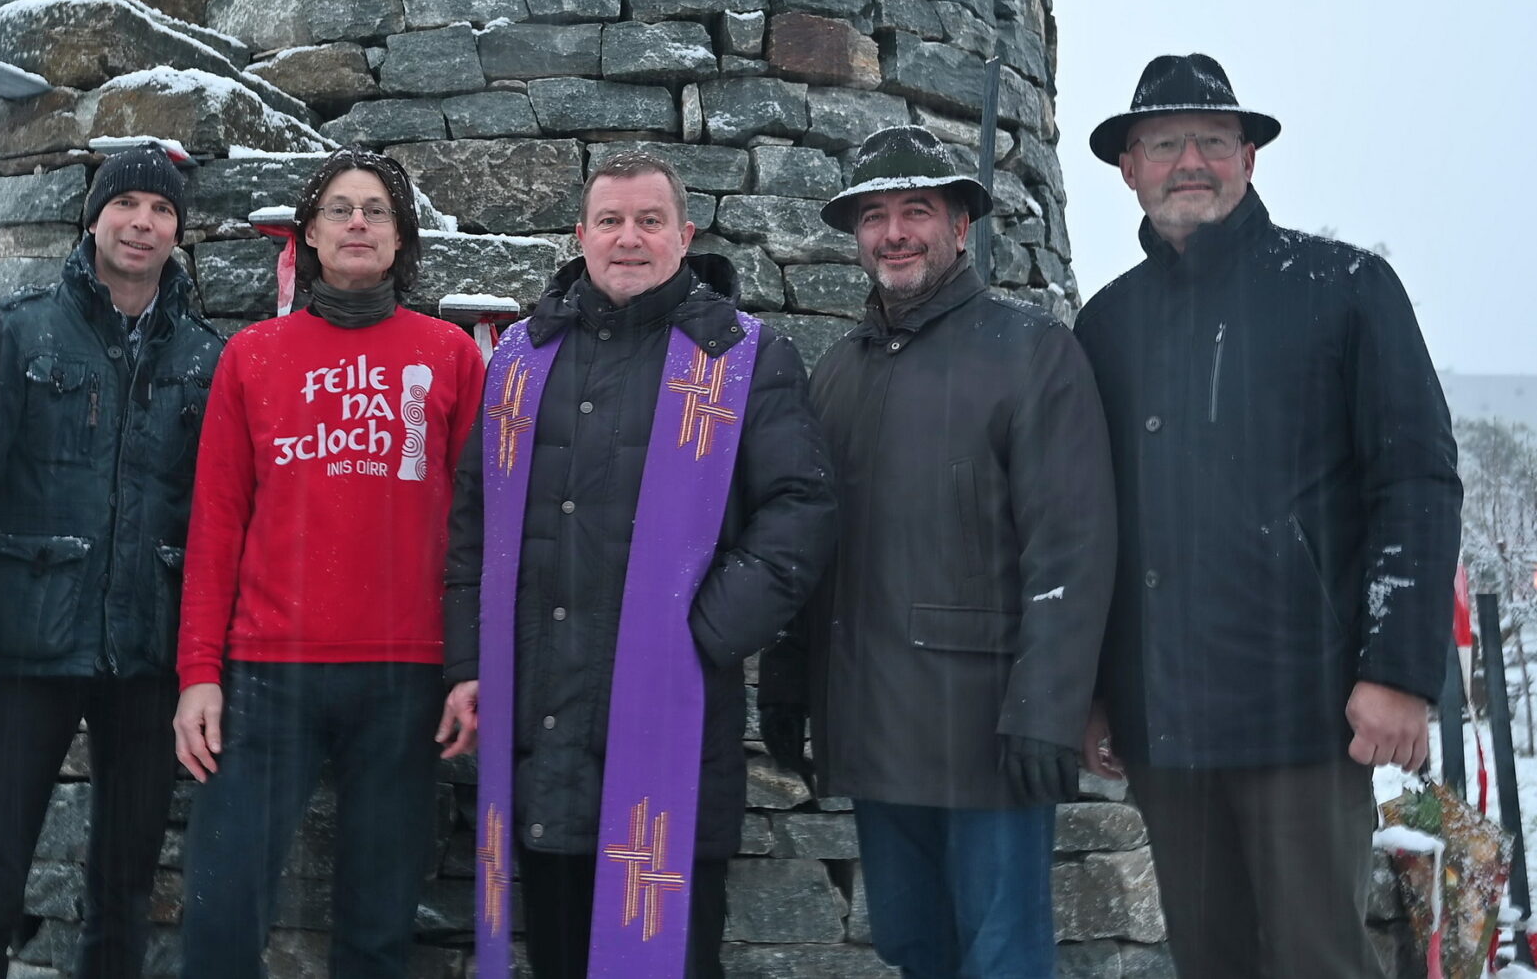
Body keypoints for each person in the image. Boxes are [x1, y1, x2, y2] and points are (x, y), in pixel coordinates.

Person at [1073, 54, 1462, 979]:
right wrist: (1094, 689)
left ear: (1250, 157)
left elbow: (1415, 480)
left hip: (1303, 708)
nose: (1189, 162)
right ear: (1129, 167)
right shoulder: (1106, 326)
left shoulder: (1344, 288)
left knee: (1315, 960)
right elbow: (1087, 522)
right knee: (1212, 962)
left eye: (1213, 140)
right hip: (1163, 719)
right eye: (1164, 144)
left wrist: (1399, 673)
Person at [445, 151, 836, 979]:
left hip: (673, 726)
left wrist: (698, 633)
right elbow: (474, 524)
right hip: (544, 733)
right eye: (612, 221)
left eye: (650, 221)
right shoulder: (521, 361)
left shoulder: (743, 358)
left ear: (684, 236)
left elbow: (801, 509)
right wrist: (469, 663)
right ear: (580, 235)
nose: (630, 239)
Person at [764, 126, 1114, 979]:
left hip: (988, 733)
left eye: (917, 210)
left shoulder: (1032, 352)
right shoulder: (837, 373)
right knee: (913, 949)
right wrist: (790, 671)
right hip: (875, 731)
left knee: (1002, 959)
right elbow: (813, 541)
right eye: (875, 215)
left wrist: (1046, 710)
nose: (895, 233)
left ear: (962, 226)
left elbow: (1071, 547)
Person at [171, 149, 486, 979]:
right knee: (219, 912)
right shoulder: (254, 356)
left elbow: (475, 528)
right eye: (340, 209)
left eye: (375, 210)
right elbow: (215, 524)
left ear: (399, 236)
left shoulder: (451, 355)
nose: (357, 222)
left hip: (403, 676)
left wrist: (467, 666)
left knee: (379, 928)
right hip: (268, 674)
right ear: (308, 234)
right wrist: (199, 673)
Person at [0, 144, 224, 978]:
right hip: (24, 647)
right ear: (92, 216)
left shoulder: (206, 358)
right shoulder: (19, 331)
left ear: (178, 230)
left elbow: (213, 515)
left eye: (162, 209)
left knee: (124, 884)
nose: (143, 222)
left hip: (147, 655)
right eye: (126, 203)